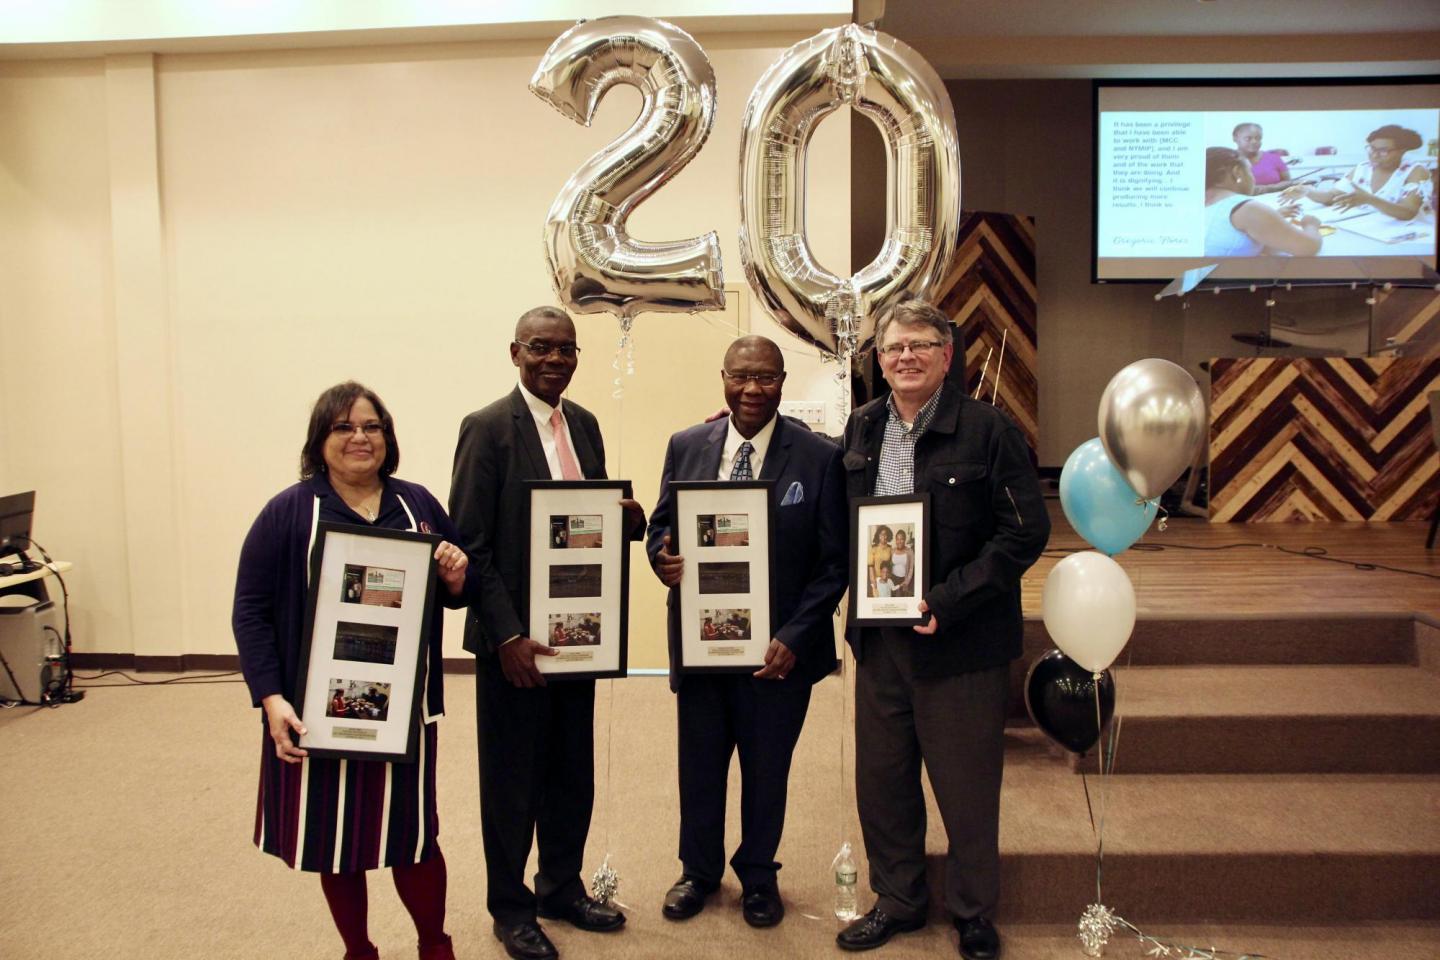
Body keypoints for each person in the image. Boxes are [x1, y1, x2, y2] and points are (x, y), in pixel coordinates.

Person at [836, 301, 1049, 960]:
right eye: (895, 347)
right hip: (881, 643)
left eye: (921, 346)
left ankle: (973, 912)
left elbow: (1025, 532)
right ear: (879, 357)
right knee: (884, 780)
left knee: (966, 786)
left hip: (961, 644)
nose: (906, 357)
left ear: (946, 355)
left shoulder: (989, 431)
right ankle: (898, 901)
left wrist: (949, 601)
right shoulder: (862, 428)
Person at [232, 380, 474, 960]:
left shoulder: (417, 504)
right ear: (321, 441)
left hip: (405, 710)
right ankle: (358, 950)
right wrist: (270, 699)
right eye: (344, 427)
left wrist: (456, 573)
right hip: (318, 709)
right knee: (335, 835)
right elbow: (250, 609)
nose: (360, 438)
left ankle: (434, 945)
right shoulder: (289, 513)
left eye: (372, 427)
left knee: (413, 835)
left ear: (388, 438)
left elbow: (458, 590)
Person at [449, 305, 645, 960]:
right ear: (515, 353)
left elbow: (583, 527)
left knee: (569, 772)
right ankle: (511, 909)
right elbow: (471, 546)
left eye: (566, 349)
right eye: (541, 347)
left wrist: (630, 519)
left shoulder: (584, 427)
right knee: (510, 781)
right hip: (513, 647)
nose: (555, 359)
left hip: (577, 638)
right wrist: (506, 636)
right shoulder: (486, 430)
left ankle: (560, 886)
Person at [647, 335, 848, 929]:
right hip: (704, 645)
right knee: (701, 765)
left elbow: (832, 563)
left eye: (765, 378)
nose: (752, 389)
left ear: (783, 382)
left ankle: (759, 875)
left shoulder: (818, 457)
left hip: (777, 654)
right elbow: (662, 527)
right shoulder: (686, 445)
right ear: (724, 378)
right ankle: (699, 872)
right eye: (741, 377)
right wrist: (663, 557)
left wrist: (795, 634)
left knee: (767, 771)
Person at [1283, 124, 1432, 221]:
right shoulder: (1363, 168)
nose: (1374, 154)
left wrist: (1370, 199)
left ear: (1402, 151)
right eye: (1372, 148)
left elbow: (1408, 212)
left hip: (1407, 236)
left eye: (1383, 150)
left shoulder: (1416, 171)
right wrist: (1308, 191)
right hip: (1369, 230)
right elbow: (1332, 197)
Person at [1204, 147, 1322, 257]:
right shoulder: (1246, 209)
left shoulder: (1199, 202)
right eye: (1250, 171)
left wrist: (1272, 218)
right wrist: (1311, 224)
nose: (1253, 178)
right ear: (1237, 173)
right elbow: (1308, 247)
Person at [1231, 122, 1293, 192]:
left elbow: (1288, 183)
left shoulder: (1274, 158)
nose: (1254, 142)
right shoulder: (1228, 161)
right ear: (1235, 138)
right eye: (1248, 138)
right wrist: (1273, 187)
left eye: (1258, 138)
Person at [868, 526, 893, 595]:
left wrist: (889, 578)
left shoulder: (890, 548)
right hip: (876, 579)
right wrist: (873, 581)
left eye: (886, 534)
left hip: (886, 579)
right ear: (878, 536)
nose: (884, 536)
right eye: (882, 534)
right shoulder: (873, 548)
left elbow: (891, 564)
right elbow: (871, 566)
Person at [890, 529, 914, 597]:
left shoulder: (909, 551)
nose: (899, 541)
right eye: (897, 539)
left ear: (905, 540)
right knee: (893, 597)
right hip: (893, 578)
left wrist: (906, 582)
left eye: (901, 539)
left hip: (903, 579)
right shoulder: (892, 550)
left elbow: (911, 568)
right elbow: (890, 565)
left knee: (901, 597)